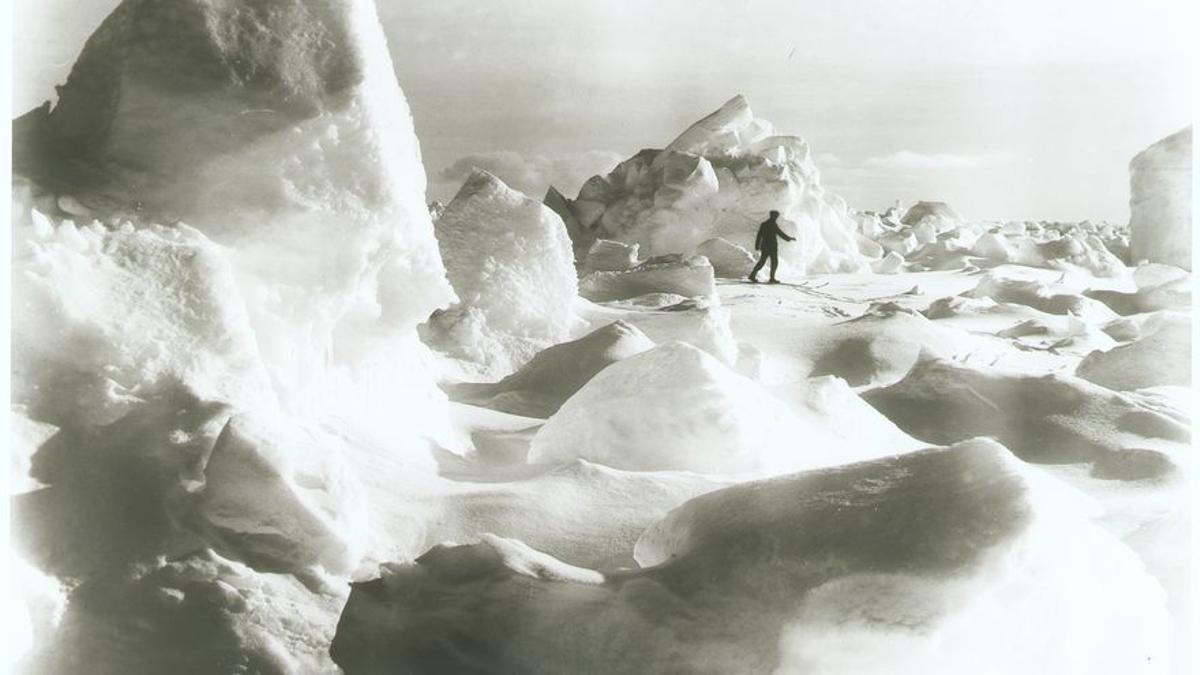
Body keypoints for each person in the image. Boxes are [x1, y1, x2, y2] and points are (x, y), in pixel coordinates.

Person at [749, 210, 794, 283]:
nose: (776, 217)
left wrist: (757, 245)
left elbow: (759, 235)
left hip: (765, 246)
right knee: (774, 262)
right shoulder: (772, 224)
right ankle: (771, 278)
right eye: (776, 216)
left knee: (762, 261)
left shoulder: (764, 224)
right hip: (772, 246)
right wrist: (789, 238)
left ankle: (753, 275)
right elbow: (780, 233)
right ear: (773, 216)